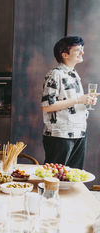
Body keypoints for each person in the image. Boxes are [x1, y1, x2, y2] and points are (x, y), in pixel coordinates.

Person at [41, 36, 98, 169]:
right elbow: (47, 106)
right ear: (65, 55)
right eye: (78, 50)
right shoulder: (55, 74)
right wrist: (79, 99)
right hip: (60, 134)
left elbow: (70, 102)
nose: (82, 52)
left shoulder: (73, 74)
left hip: (79, 131)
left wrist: (86, 101)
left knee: (73, 177)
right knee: (54, 177)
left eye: (82, 49)